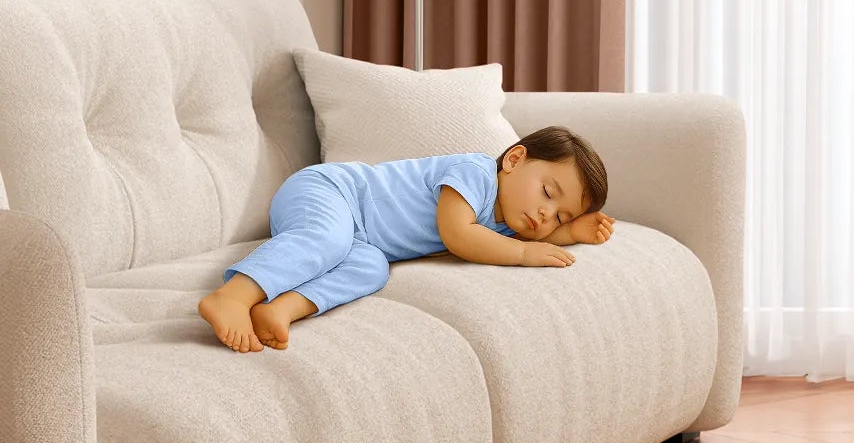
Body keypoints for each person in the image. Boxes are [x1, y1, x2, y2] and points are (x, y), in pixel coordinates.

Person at [195, 126, 615, 353]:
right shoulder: (474, 174)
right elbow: (458, 235)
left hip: (363, 239)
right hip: (331, 191)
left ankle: (280, 309)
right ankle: (233, 295)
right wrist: (524, 253)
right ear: (515, 159)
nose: (545, 216)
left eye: (557, 216)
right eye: (547, 193)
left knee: (371, 268)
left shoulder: (507, 225)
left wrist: (572, 232)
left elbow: (511, 234)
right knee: (327, 239)